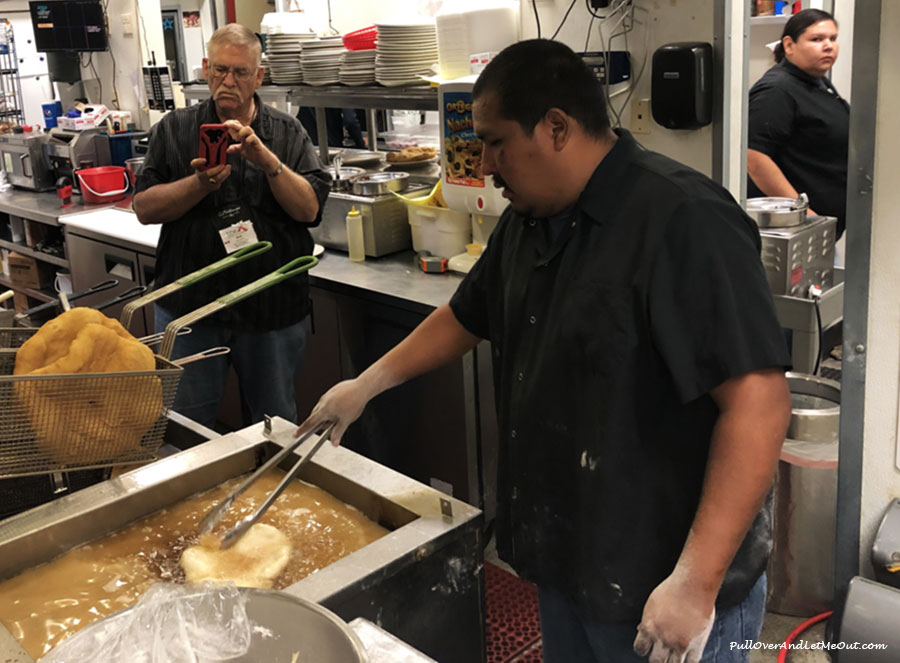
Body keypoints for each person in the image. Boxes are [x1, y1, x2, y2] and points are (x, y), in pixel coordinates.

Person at [298, 39, 792, 663]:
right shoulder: (531, 217)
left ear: (556, 127)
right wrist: (363, 387)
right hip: (567, 560)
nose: (486, 162)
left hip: (661, 588)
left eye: (498, 142)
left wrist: (696, 581)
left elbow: (760, 404)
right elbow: (466, 316)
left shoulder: (684, 221)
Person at [133, 24, 330, 429]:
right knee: (186, 431)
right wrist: (198, 184)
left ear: (259, 77)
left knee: (275, 427)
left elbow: (309, 210)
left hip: (271, 312)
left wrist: (268, 163)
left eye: (240, 72)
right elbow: (145, 208)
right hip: (192, 311)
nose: (228, 81)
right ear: (206, 70)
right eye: (220, 69)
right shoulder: (173, 129)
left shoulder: (287, 132)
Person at [747, 9, 849, 238]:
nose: (828, 46)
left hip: (820, 226)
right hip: (797, 228)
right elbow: (754, 158)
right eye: (817, 39)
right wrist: (803, 213)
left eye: (833, 38)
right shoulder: (777, 90)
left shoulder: (816, 82)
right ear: (789, 45)